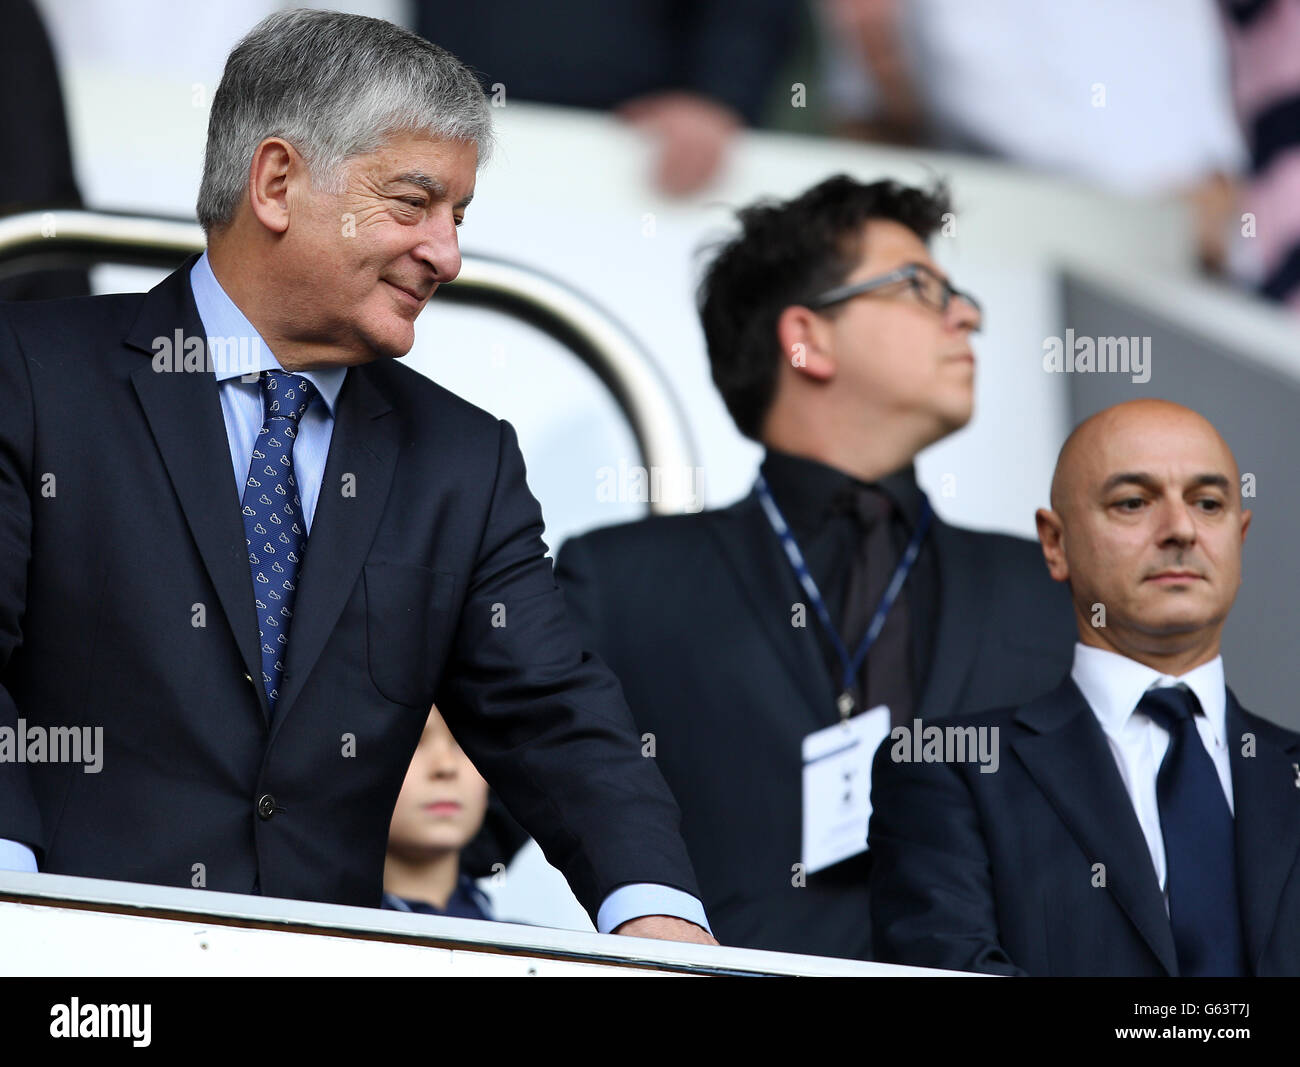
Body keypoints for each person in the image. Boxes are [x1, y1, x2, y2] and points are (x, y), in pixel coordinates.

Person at [0, 9, 714, 946]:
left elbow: (556, 713)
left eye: (458, 217)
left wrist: (656, 913)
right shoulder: (32, 375)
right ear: (278, 181)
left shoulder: (464, 459)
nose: (447, 254)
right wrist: (19, 902)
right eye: (413, 204)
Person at [554, 175, 1076, 959]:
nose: (967, 312)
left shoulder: (1048, 588)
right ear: (807, 338)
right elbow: (437, 814)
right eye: (919, 286)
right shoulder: (621, 581)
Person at [869, 398, 1300, 976]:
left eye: (1207, 503)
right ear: (1055, 543)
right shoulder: (948, 768)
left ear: (1239, 536)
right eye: (1132, 503)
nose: (1180, 530)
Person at [382, 704, 494, 922]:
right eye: (412, 740)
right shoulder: (311, 942)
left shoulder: (539, 950)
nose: (446, 766)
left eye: (465, 742)